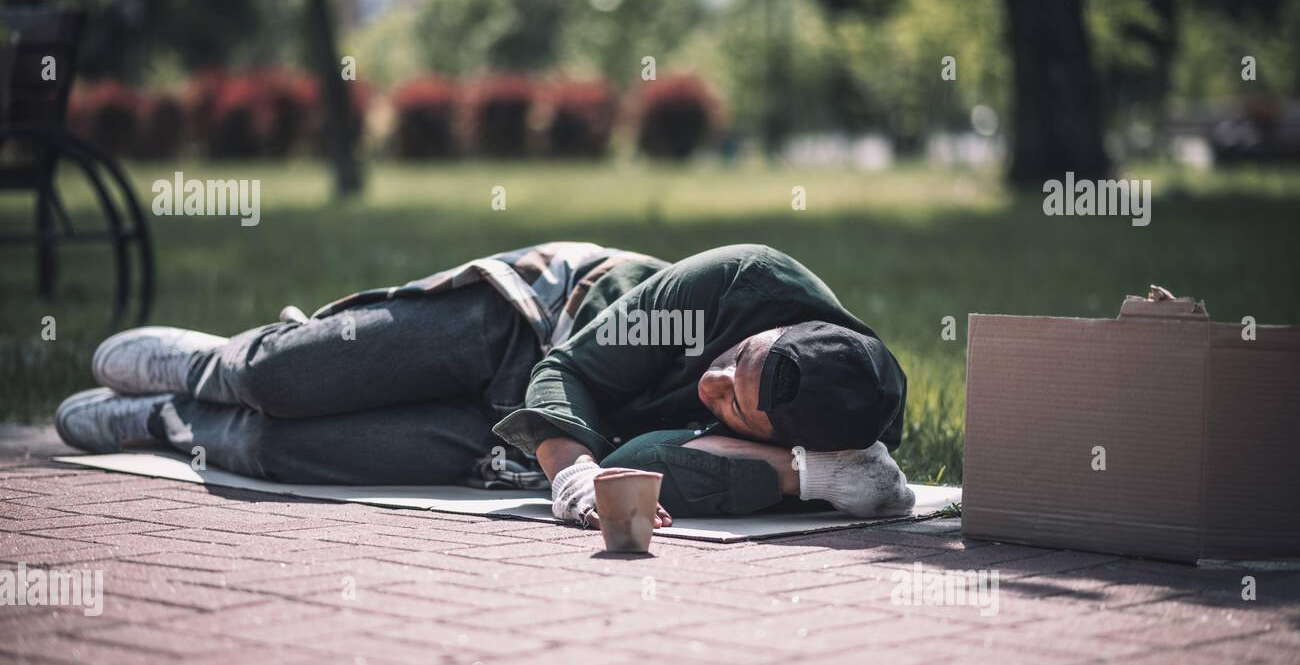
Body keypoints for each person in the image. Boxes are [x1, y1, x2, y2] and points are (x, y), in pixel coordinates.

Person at [55, 242, 915, 529]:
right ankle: (212, 366)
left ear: (781, 440)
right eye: (738, 358)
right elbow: (570, 368)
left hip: (522, 444)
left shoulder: (836, 451)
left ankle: (171, 419)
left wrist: (810, 479)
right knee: (283, 379)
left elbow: (647, 461)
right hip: (522, 325)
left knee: (282, 450)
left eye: (734, 404)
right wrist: (576, 471)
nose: (715, 382)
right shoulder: (743, 282)